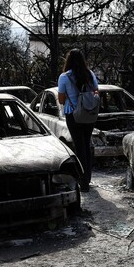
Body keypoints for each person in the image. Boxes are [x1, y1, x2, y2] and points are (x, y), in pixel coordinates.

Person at [57, 49, 99, 192]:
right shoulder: (90, 74)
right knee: (86, 146)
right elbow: (96, 92)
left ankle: (83, 182)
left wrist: (72, 98)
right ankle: (87, 178)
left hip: (73, 115)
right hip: (89, 114)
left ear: (68, 61)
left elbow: (61, 99)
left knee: (79, 147)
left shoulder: (64, 77)